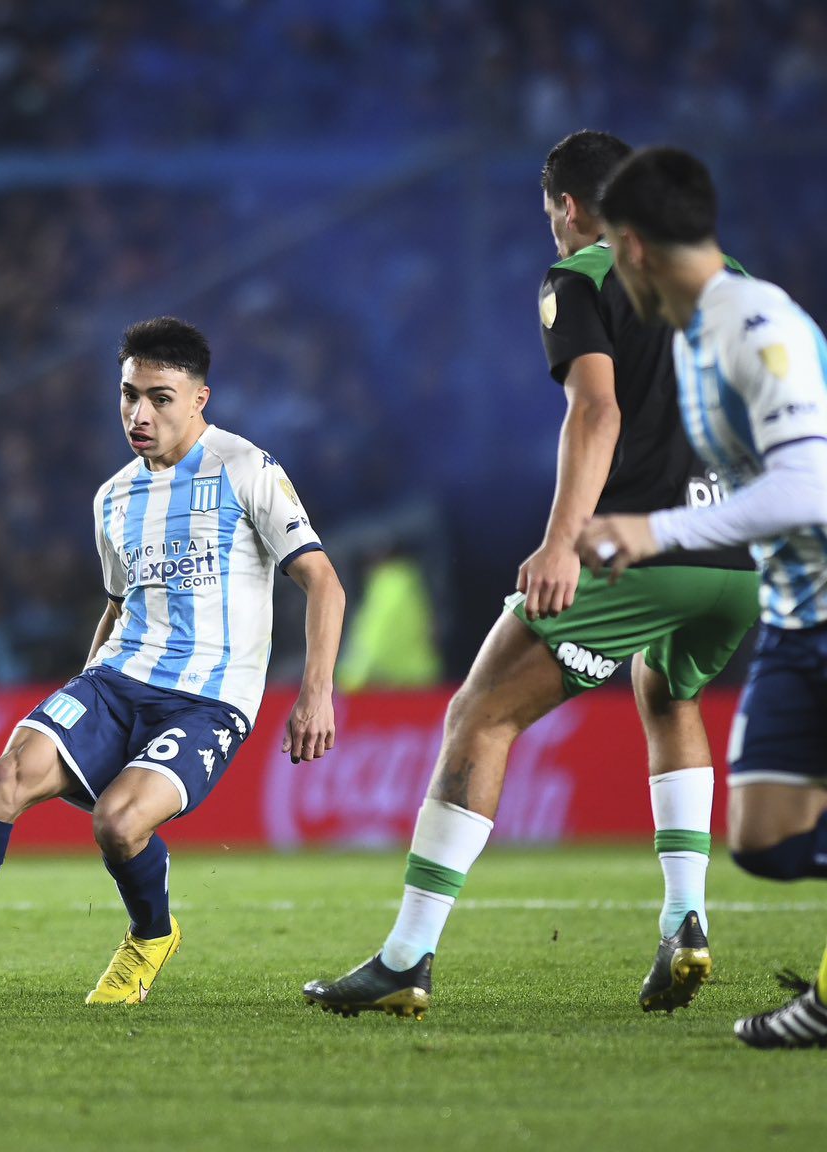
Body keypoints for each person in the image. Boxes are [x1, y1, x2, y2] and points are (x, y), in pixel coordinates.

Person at [303, 131, 758, 1020]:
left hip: (643, 548)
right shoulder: (725, 272)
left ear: (567, 204)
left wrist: (562, 542)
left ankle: (406, 957)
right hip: (737, 551)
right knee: (667, 691)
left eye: (551, 209)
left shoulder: (581, 275)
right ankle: (685, 920)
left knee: (480, 713)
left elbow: (597, 408)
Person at [0, 317, 344, 1011]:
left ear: (200, 398)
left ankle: (151, 935)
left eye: (160, 397)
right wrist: (79, 691)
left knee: (118, 823)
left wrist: (315, 693)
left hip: (208, 699)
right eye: (128, 394)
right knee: (6, 776)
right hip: (117, 679)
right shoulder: (113, 497)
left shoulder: (247, 469)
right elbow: (118, 606)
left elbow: (324, 581)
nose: (139, 414)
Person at [577, 146, 827, 1049]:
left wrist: (655, 532)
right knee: (766, 844)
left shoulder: (758, 326)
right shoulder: (691, 336)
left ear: (632, 246)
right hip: (799, 614)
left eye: (609, 248)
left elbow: (811, 488)